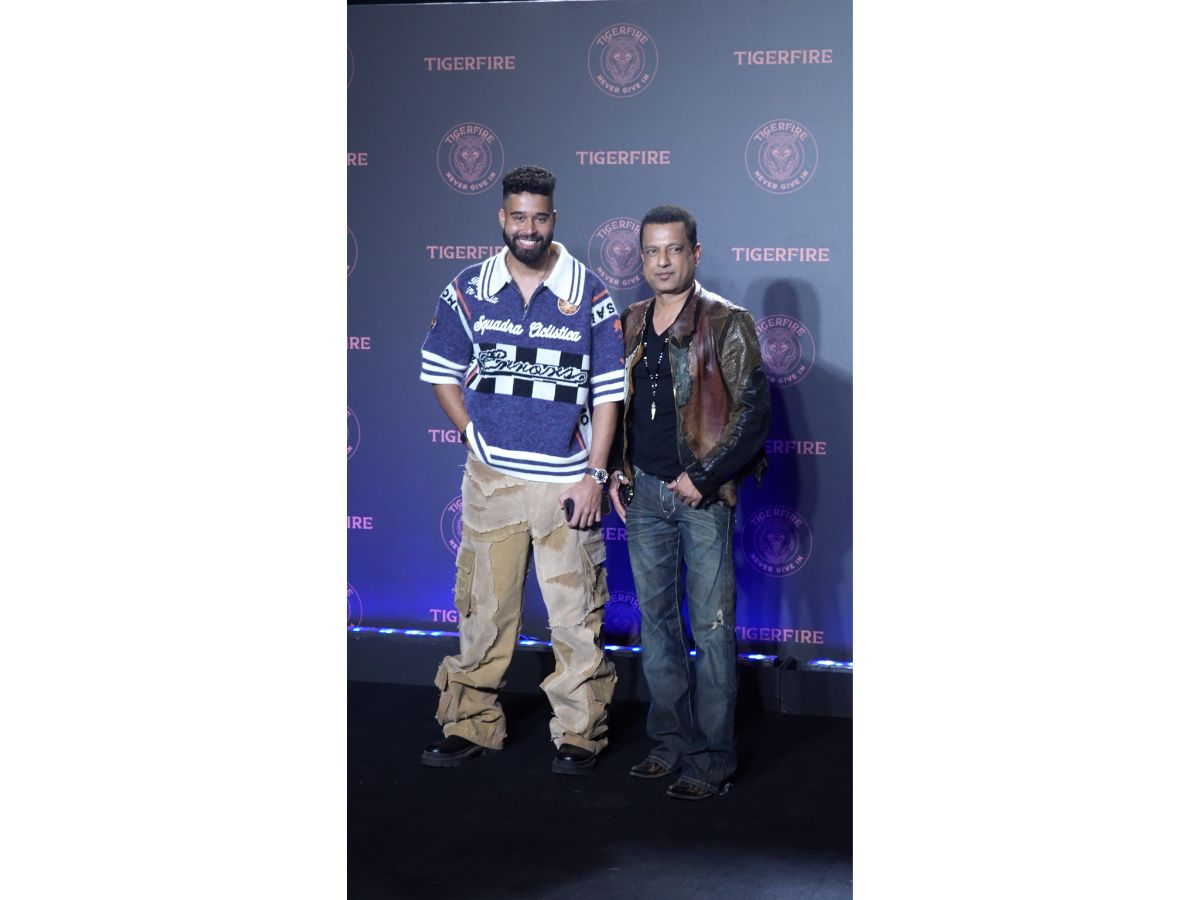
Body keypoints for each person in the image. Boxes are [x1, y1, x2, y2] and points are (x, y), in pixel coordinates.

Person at [418, 165, 625, 775]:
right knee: (484, 610)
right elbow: (440, 371)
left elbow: (609, 393)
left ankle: (580, 732)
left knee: (577, 616)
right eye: (517, 217)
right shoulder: (468, 287)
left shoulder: (589, 292)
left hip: (567, 482)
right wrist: (472, 435)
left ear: (553, 219)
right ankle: (471, 723)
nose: (528, 228)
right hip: (493, 483)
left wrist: (594, 475)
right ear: (501, 218)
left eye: (539, 217)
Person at [607, 205, 771, 800]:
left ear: (694, 254)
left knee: (712, 626)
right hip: (644, 497)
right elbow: (611, 404)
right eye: (652, 251)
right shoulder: (630, 321)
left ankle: (711, 760)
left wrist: (703, 476)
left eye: (673, 249)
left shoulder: (726, 321)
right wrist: (615, 472)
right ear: (641, 258)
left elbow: (754, 414)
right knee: (656, 624)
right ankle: (671, 743)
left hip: (701, 497)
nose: (662, 261)